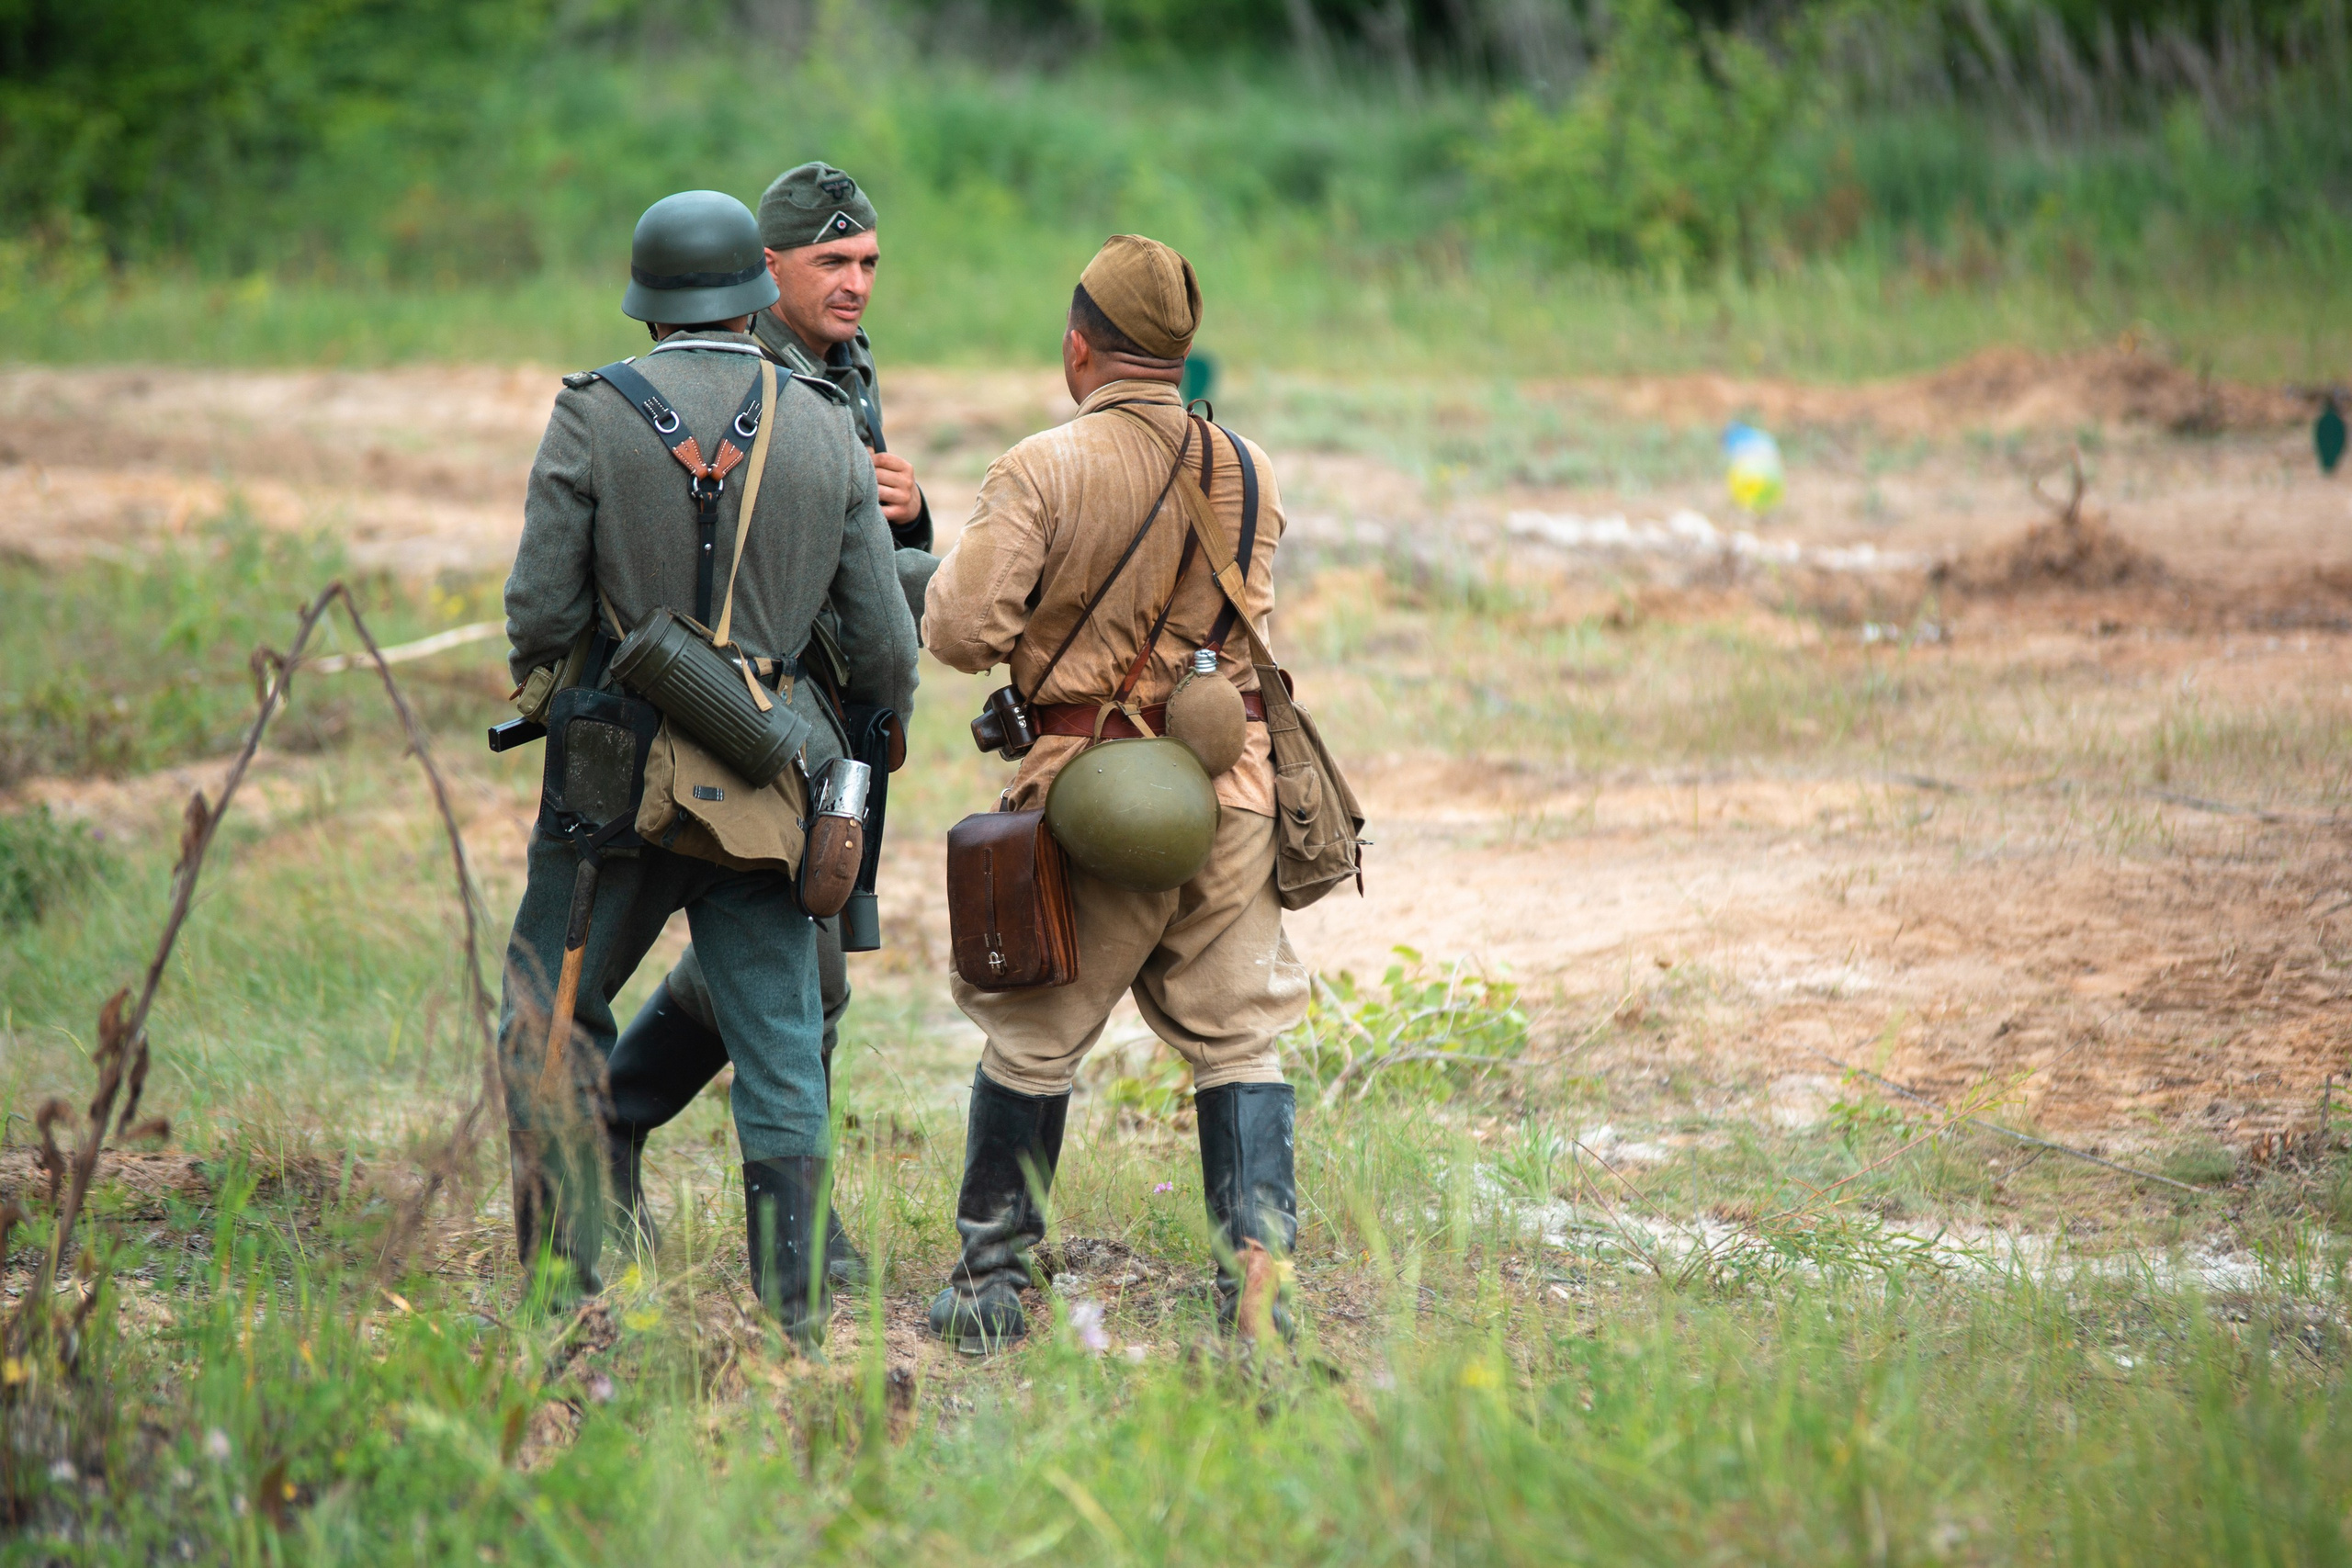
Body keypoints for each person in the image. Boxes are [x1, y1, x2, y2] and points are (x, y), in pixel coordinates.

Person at [498, 188, 918, 1341]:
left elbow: (537, 610)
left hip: (609, 786)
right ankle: (795, 1312)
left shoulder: (589, 414)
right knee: (783, 1044)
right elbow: (883, 643)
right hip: (773, 776)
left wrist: (567, 684)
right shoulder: (826, 421)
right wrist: (859, 749)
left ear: (645, 304)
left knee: (549, 1019)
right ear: (752, 292)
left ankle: (564, 1291)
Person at [921, 234, 1308, 1351]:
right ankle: (1260, 1283)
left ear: (1077, 349)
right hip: (1231, 788)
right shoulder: (1248, 465)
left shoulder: (1041, 465)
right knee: (1238, 1042)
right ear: (1182, 356)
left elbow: (960, 632)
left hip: (1096, 797)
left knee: (1035, 1040)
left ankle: (994, 1284)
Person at [600, 163, 935, 1286]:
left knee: (806, 957)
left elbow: (861, 567)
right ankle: (791, 1228)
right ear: (766, 271)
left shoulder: (842, 371)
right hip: (735, 714)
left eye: (869, 264)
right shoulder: (744, 381)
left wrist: (918, 521)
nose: (855, 286)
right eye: (832, 263)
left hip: (818, 716)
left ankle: (621, 1117)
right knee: (806, 976)